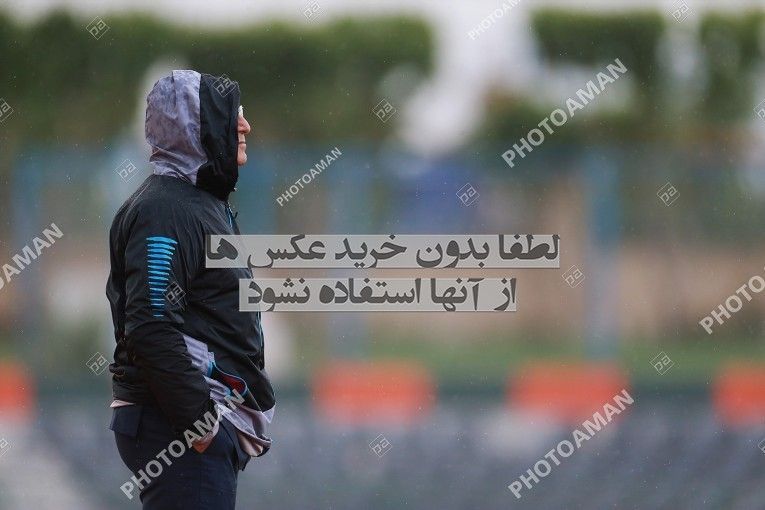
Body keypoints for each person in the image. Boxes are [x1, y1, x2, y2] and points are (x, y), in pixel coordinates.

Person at [105, 69, 275, 509]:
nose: (244, 125)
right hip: (177, 427)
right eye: (229, 115)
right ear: (193, 129)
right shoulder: (165, 209)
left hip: (190, 424)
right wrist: (202, 426)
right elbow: (150, 324)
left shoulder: (200, 202)